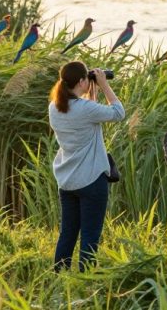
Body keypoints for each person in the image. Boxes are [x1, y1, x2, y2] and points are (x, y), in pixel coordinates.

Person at [49, 61, 125, 271]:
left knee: (68, 232)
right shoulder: (86, 109)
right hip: (91, 181)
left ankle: (60, 275)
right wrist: (104, 85)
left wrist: (91, 91)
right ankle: (86, 279)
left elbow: (86, 112)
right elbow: (119, 113)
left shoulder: (54, 107)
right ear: (82, 81)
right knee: (90, 235)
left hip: (68, 181)